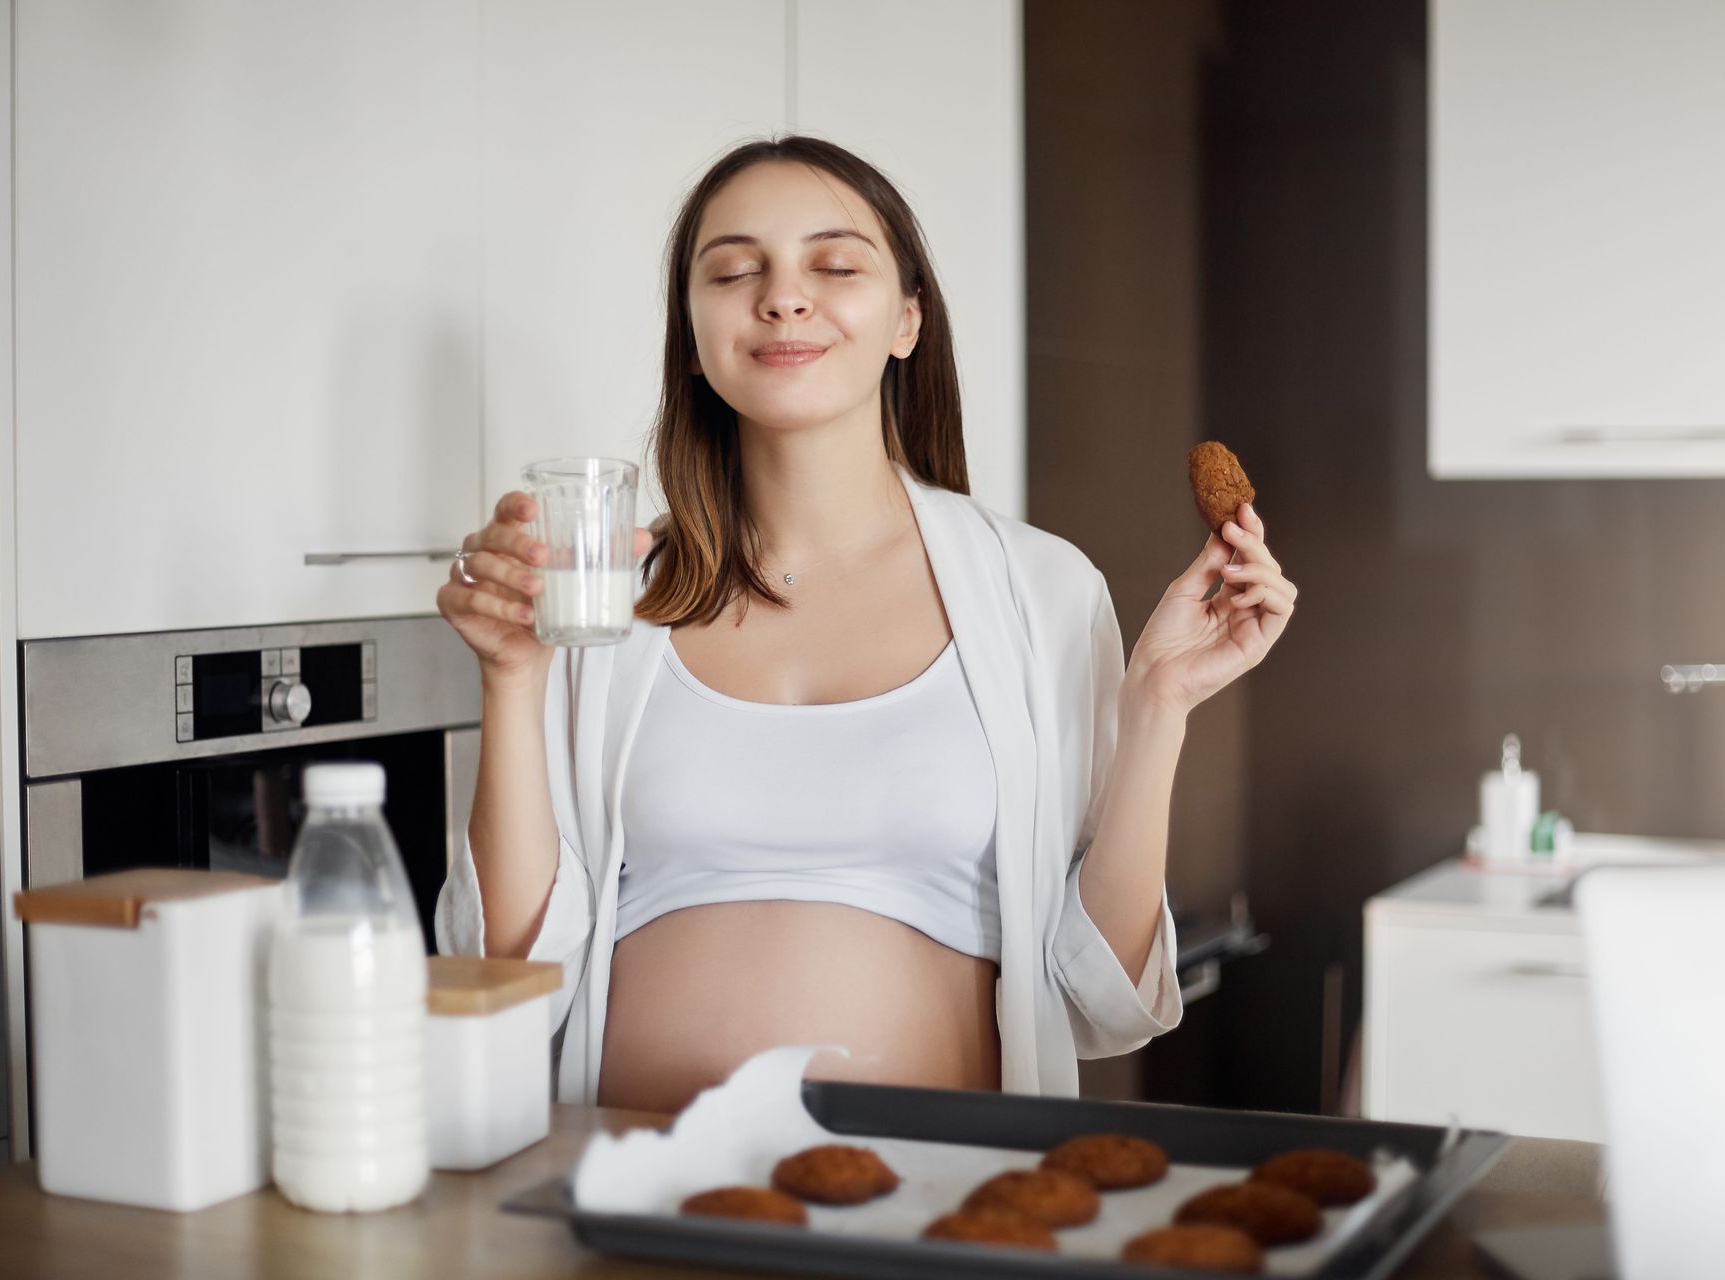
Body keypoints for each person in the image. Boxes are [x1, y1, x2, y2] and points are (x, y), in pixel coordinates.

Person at [434, 135, 1296, 1113]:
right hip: (642, 1196)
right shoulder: (603, 602)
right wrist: (510, 677)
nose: (783, 296)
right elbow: (504, 976)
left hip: (932, 1207)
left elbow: (1103, 997)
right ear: (692, 331)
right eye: (733, 270)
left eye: (835, 265)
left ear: (907, 319)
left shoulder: (1041, 592)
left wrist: (1158, 709)